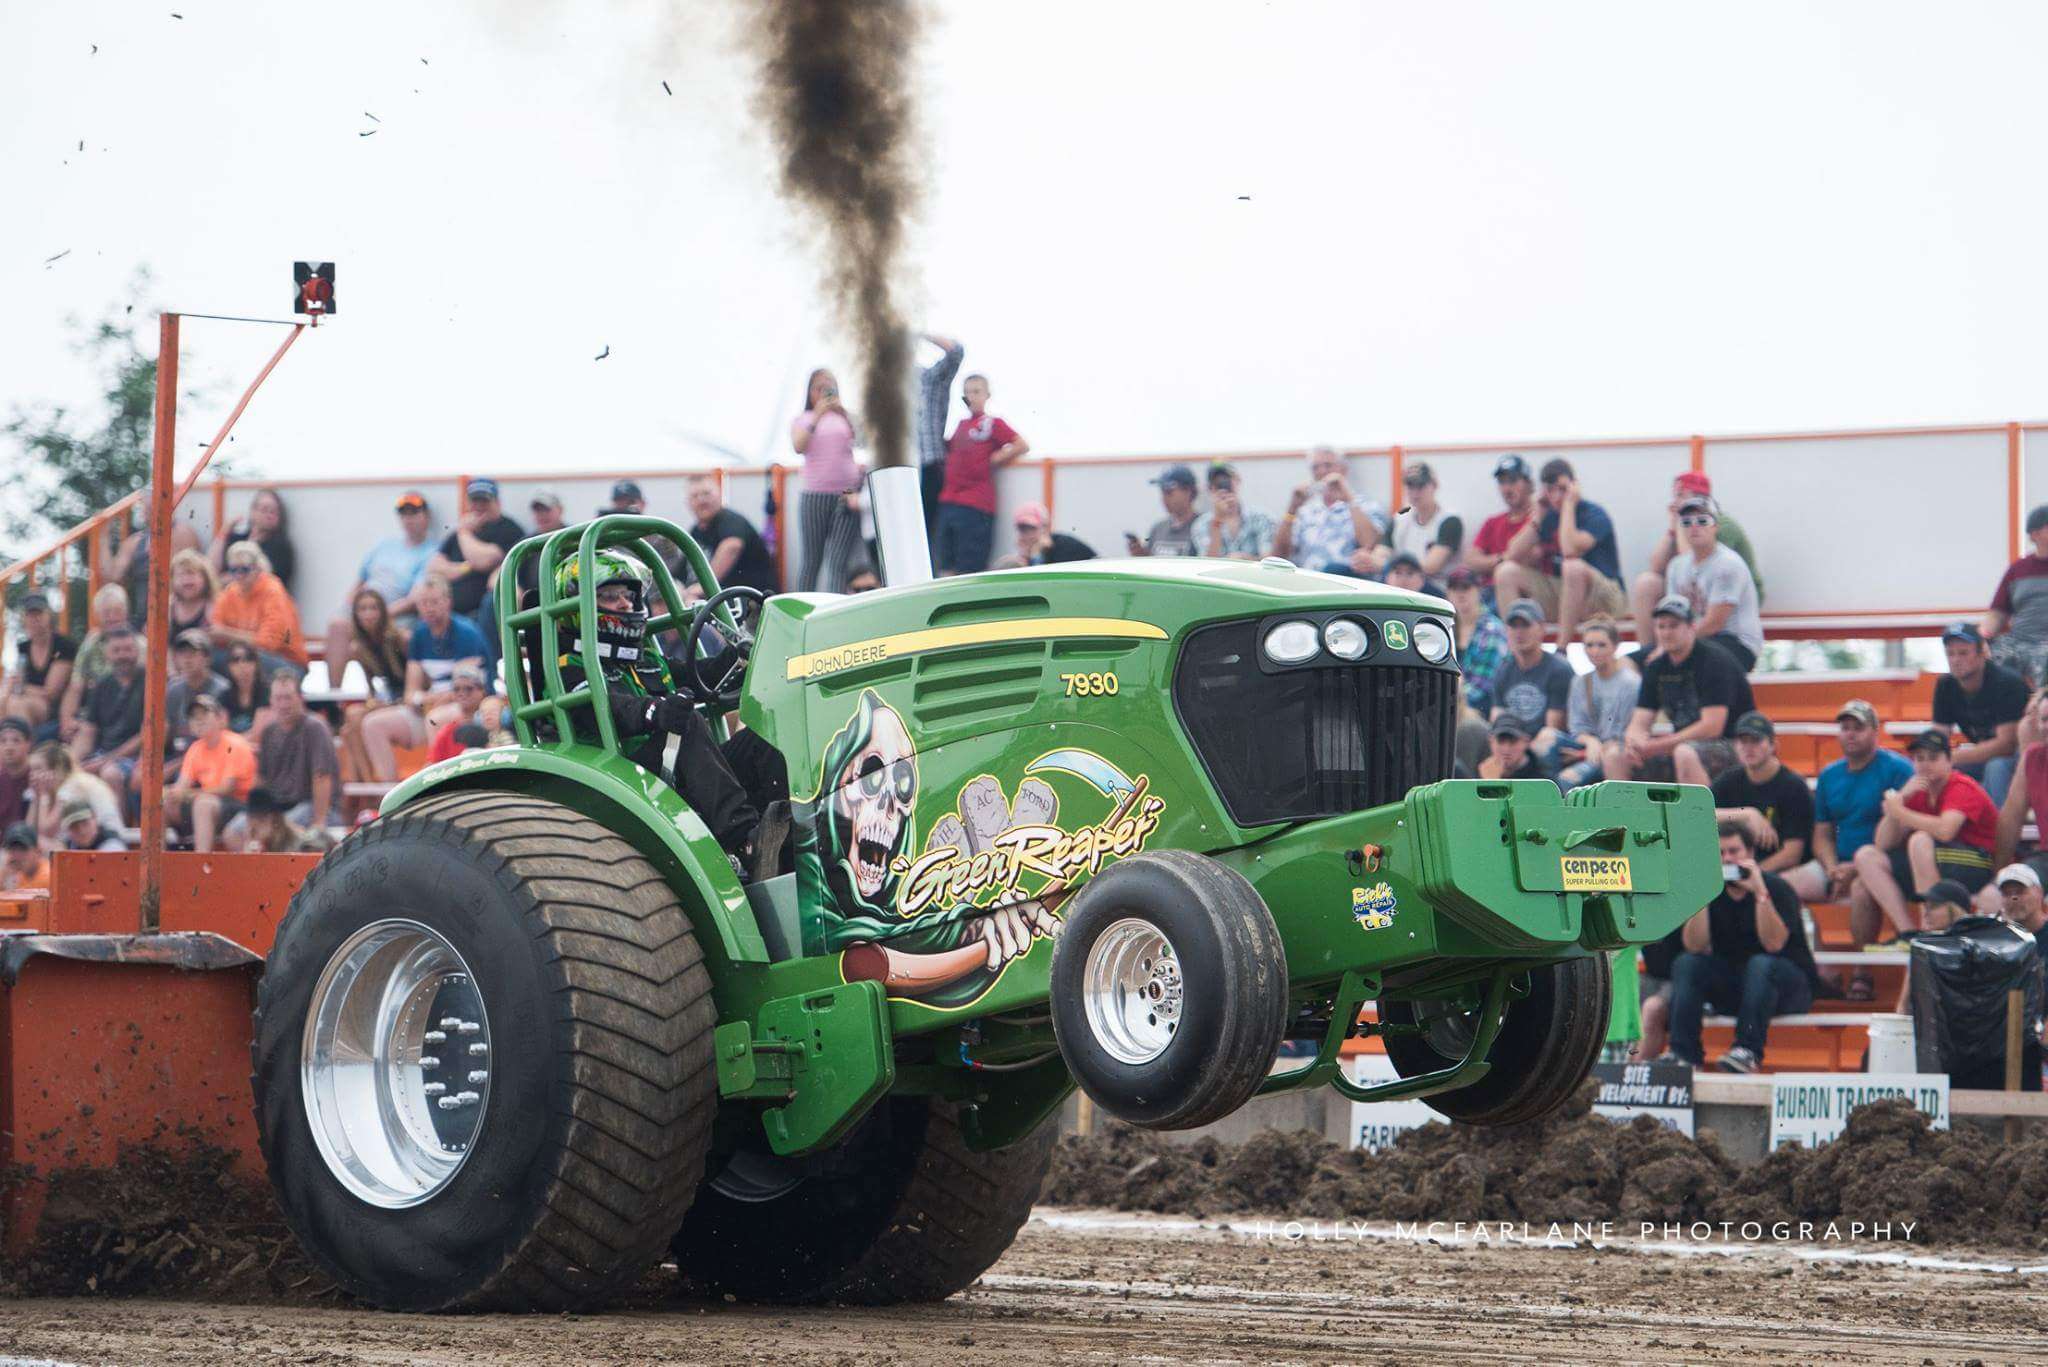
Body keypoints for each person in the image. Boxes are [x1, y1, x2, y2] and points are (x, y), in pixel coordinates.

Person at [540, 550, 758, 863]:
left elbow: (708, 676)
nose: (625, 604)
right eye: (609, 596)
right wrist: (655, 711)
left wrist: (751, 637)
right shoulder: (568, 667)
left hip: (674, 767)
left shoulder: (647, 660)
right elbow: (607, 709)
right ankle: (743, 840)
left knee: (757, 742)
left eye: (628, 595)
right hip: (623, 780)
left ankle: (789, 825)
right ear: (577, 606)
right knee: (689, 723)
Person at [1663, 819, 1820, 1073]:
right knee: (1687, 963)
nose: (1727, 859)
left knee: (1761, 964)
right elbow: (1694, 945)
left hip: (1787, 986)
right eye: (1720, 854)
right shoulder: (1711, 891)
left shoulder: (1776, 888)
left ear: (1750, 853)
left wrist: (1759, 892)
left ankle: (1747, 1051)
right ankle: (1684, 1054)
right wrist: (1702, 896)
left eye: (1734, 852)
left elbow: (1773, 944)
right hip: (1740, 986)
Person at [1852, 729, 1998, 948]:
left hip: (1975, 863)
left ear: (1949, 761)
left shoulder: (1961, 786)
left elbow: (1945, 830)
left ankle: (1932, 932)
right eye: (1919, 758)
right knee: (1866, 856)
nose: (1925, 764)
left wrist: (1899, 811)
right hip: (1936, 860)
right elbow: (1882, 843)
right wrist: (1900, 799)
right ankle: (1909, 933)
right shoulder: (1917, 790)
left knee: (1919, 840)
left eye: (1933, 758)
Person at [1608, 596, 1754, 785]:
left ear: (1691, 627)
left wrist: (1657, 745)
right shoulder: (1656, 667)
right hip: (1683, 744)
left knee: (1685, 753)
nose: (1667, 632)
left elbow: (1712, 727)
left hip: (1731, 744)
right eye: (1661, 626)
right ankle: (1628, 814)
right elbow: (1639, 722)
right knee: (1615, 755)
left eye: (1674, 625)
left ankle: (1704, 814)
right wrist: (1634, 744)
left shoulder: (1714, 661)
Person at [356, 576, 483, 782]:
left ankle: (436, 782)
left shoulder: (466, 633)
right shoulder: (419, 636)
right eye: (424, 603)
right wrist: (423, 699)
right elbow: (410, 692)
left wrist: (425, 699)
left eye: (435, 602)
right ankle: (390, 792)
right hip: (431, 706)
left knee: (435, 718)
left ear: (448, 602)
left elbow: (463, 690)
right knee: (373, 724)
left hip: (466, 707)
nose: (429, 608)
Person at [1494, 458, 1626, 647]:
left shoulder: (1595, 514)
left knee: (1572, 567)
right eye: (1550, 490)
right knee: (1505, 572)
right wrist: (1537, 517)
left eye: (1562, 489)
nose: (1556, 496)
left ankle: (1561, 649)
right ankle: (1514, 651)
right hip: (1565, 597)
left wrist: (1569, 506)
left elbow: (1570, 550)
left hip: (1605, 599)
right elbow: (1512, 554)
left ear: (1574, 486)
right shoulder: (1548, 516)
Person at [1630, 472, 1764, 653]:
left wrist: (1681, 523)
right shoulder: (1682, 530)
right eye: (1675, 496)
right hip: (1697, 597)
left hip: (1730, 604)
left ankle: (1665, 650)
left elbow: (1696, 557)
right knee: (1646, 582)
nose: (1676, 502)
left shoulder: (1723, 524)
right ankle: (1648, 651)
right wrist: (1673, 526)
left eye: (1681, 495)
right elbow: (1657, 565)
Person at [322, 491, 438, 671]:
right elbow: (359, 582)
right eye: (404, 514)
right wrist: (353, 607)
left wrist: (380, 614)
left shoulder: (432, 552)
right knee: (337, 625)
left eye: (414, 513)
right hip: (364, 608)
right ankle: (334, 696)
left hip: (397, 615)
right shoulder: (384, 545)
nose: (408, 519)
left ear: (426, 516)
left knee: (404, 638)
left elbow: (414, 599)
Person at [934, 373, 1029, 576]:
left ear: (987, 395)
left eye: (976, 392)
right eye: (967, 393)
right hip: (949, 502)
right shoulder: (960, 425)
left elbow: (1021, 445)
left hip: (975, 506)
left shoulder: (992, 423)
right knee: (945, 566)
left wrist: (994, 459)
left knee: (970, 568)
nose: (972, 397)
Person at [1658, 495, 1763, 670]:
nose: (1694, 527)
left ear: (1716, 526)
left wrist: (1672, 646)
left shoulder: (1728, 564)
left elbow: (1714, 623)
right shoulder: (1677, 566)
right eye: (1686, 522)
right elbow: (1671, 616)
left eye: (1702, 520)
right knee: (1636, 662)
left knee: (1690, 660)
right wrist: (1662, 648)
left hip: (1736, 643)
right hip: (1693, 640)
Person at [1934, 622, 2027, 808]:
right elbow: (1937, 738)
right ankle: (1945, 828)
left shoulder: (2008, 682)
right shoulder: (1945, 685)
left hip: (2023, 756)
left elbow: (2006, 746)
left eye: (1963, 653)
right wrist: (1933, 759)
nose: (1955, 660)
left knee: (1997, 767)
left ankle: (1996, 833)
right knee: (1931, 769)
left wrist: (1949, 758)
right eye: (1950, 654)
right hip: (1982, 754)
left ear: (1981, 653)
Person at [790, 368, 865, 594]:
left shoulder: (846, 418)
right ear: (810, 392)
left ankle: (835, 607)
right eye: (818, 388)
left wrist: (845, 414)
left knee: (838, 561)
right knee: (812, 559)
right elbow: (798, 446)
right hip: (815, 495)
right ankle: (803, 607)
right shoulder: (803, 419)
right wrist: (817, 415)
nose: (824, 392)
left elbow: (864, 440)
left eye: (829, 386)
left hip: (846, 495)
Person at [1711, 712, 1814, 875]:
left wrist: (1752, 875)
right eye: (1743, 741)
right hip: (1733, 866)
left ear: (1773, 745)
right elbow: (1698, 815)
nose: (1748, 747)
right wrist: (1747, 814)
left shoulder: (1793, 786)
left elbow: (1792, 854)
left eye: (1756, 741)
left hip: (1780, 872)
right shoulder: (1728, 780)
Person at [243, 671, 339, 832]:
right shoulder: (269, 731)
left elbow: (322, 777)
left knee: (275, 829)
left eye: (288, 698)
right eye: (278, 698)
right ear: (271, 701)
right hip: (276, 806)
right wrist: (253, 815)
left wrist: (319, 822)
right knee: (234, 831)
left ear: (300, 698)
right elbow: (261, 779)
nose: (283, 704)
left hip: (311, 805)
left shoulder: (315, 728)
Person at [163, 694, 256, 853]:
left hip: (239, 805)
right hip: (209, 801)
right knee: (161, 804)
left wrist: (187, 794)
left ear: (220, 718)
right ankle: (158, 862)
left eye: (204, 714)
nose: (199, 720)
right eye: (194, 716)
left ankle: (201, 862)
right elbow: (182, 786)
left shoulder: (234, 744)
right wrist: (171, 793)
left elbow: (226, 788)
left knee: (203, 804)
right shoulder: (195, 748)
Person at [69, 625, 146, 812]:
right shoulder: (101, 685)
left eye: (128, 649)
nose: (122, 655)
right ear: (107, 655)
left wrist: (107, 760)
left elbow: (148, 735)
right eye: (116, 650)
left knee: (110, 773)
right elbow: (88, 733)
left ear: (137, 652)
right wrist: (70, 763)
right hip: (104, 753)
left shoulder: (150, 680)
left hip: (137, 757)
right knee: (67, 774)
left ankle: (117, 834)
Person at [1488, 598, 1574, 766]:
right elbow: (1496, 720)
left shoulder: (1559, 670)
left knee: (1547, 738)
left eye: (1526, 625)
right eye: (1514, 626)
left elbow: (1553, 726)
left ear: (1542, 628)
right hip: (1514, 742)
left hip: (1555, 745)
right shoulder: (1503, 670)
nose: (1519, 632)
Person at [1557, 617, 1639, 791]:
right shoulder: (1581, 681)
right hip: (1588, 745)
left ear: (1615, 646)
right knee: (1546, 740)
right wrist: (1590, 741)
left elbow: (1624, 731)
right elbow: (1576, 726)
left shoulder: (1630, 682)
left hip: (1617, 749)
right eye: (1589, 645)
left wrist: (1595, 748)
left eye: (1601, 645)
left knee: (1568, 780)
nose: (1595, 651)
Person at [426, 478, 524, 621]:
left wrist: (464, 533)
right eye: (474, 501)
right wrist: (465, 567)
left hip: (480, 612)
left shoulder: (508, 529)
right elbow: (433, 567)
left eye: (484, 501)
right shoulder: (458, 532)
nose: (478, 506)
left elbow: (484, 561)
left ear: (497, 503)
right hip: (448, 611)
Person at [1274, 446, 1385, 573]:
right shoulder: (1305, 509)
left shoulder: (1367, 504)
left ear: (1344, 470)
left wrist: (1349, 500)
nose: (1322, 472)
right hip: (1305, 581)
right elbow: (1279, 555)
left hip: (1344, 580)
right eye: (1315, 467)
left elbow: (1369, 543)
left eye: (1328, 466)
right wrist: (1292, 509)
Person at [212, 541, 307, 677]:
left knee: (248, 659)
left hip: (287, 662)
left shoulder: (273, 591)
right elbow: (216, 632)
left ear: (258, 568)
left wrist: (228, 634)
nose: (239, 575)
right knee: (209, 659)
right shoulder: (229, 593)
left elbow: (269, 644)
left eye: (244, 570)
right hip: (247, 656)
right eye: (233, 570)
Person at [1983, 503, 2048, 687]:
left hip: (2046, 645)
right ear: (2035, 534)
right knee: (1983, 659)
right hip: (2020, 641)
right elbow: (1998, 613)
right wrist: (1981, 637)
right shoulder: (2018, 569)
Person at [56, 584, 132, 742]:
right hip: (91, 715)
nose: (111, 617)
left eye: (116, 611)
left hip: (125, 717)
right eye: (106, 613)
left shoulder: (138, 644)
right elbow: (75, 687)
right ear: (98, 616)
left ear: (126, 613)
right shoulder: (91, 643)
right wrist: (67, 719)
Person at [685, 475, 778, 597]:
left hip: (751, 601)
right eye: (695, 496)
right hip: (720, 600)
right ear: (688, 503)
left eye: (707, 494)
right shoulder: (695, 532)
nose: (702, 500)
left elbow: (732, 546)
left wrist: (703, 586)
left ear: (719, 495)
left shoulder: (732, 521)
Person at [1463, 453, 1538, 603]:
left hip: (1523, 599)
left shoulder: (1538, 521)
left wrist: (1488, 562)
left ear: (1528, 483)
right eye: (1502, 482)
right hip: (1486, 594)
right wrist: (1503, 558)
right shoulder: (1493, 522)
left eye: (1513, 480)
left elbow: (1532, 557)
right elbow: (1470, 560)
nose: (1507, 488)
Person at [914, 332, 966, 548]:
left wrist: (919, 333)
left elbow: (956, 352)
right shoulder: (884, 394)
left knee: (927, 536)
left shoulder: (930, 380)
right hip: (897, 469)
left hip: (929, 467)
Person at [1994, 688, 2048, 880]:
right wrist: (1999, 875)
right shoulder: (2032, 758)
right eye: (2044, 720)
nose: (2047, 726)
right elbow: (2010, 819)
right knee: (1998, 892)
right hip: (2045, 859)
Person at [26, 742, 121, 851]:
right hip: (83, 841)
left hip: (106, 842)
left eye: (38, 769)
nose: (32, 775)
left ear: (55, 770)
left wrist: (42, 796)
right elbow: (28, 830)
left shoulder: (71, 787)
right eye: (31, 769)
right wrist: (36, 797)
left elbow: (46, 831)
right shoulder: (55, 788)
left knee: (38, 844)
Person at [2, 592, 76, 731]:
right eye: (30, 614)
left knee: (16, 704)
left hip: (54, 707)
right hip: (26, 699)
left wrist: (22, 686)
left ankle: (23, 749)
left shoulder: (64, 645)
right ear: (24, 618)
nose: (35, 619)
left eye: (39, 613)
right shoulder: (23, 647)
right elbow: (15, 684)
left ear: (49, 615)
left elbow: (51, 693)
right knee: (6, 701)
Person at [1384, 462, 1463, 578]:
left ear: (1435, 485)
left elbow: (1430, 567)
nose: (1415, 493)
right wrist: (1367, 560)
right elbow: (1382, 551)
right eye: (1411, 486)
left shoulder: (1450, 520)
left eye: (1421, 486)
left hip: (1434, 587)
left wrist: (1386, 564)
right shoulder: (1399, 517)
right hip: (1402, 582)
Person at [210, 487, 297, 594]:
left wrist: (216, 582)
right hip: (229, 600)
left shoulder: (280, 547)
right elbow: (210, 569)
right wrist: (224, 532)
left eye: (275, 511)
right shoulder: (237, 539)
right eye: (265, 509)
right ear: (252, 511)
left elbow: (252, 578)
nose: (270, 514)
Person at [164, 629, 232, 763]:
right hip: (176, 755)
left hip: (208, 758)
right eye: (182, 653)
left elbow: (220, 740)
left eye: (193, 653)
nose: (187, 659)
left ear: (207, 658)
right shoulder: (173, 689)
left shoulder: (222, 689)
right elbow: (166, 732)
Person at [1445, 568, 1508, 713]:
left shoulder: (1493, 630)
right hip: (1449, 705)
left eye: (1466, 587)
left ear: (1478, 590)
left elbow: (1480, 688)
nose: (1460, 594)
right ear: (1448, 593)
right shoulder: (1443, 628)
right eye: (1454, 588)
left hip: (1482, 709)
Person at [1191, 463, 1276, 560]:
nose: (1223, 488)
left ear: (1238, 481)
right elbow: (1207, 563)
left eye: (1227, 482)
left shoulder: (1262, 518)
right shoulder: (1201, 524)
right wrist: (1217, 521)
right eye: (1217, 485)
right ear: (1210, 489)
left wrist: (1246, 561)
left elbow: (1269, 560)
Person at [1125, 465, 1201, 558]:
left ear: (1188, 491)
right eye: (1162, 492)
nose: (1164, 498)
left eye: (1169, 492)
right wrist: (1141, 555)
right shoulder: (1158, 529)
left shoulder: (1203, 527)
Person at [238, 785, 333, 855]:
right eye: (251, 818)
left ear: (274, 819)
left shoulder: (301, 844)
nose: (253, 825)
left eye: (261, 819)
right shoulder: (256, 843)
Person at [427, 666, 492, 763]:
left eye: (469, 689)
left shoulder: (492, 723)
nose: (462, 693)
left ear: (482, 691)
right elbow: (432, 763)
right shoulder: (447, 732)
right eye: (456, 689)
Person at [1006, 503, 1095, 566]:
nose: (1026, 535)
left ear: (1045, 528)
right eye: (1022, 529)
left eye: (1031, 528)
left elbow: (1042, 581)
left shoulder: (1064, 546)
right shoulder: (1027, 554)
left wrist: (1035, 556)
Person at [1478, 713, 1548, 781]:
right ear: (1491, 742)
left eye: (1513, 741)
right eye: (1500, 741)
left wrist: (1492, 783)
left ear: (1526, 742)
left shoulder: (1543, 778)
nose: (1506, 749)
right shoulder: (1483, 770)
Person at [165, 548, 217, 637]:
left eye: (191, 574)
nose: (186, 581)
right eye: (181, 575)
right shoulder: (167, 607)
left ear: (205, 578)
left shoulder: (214, 605)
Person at [222, 645, 269, 736]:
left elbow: (257, 734)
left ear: (256, 664)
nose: (242, 665)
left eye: (248, 658)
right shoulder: (224, 696)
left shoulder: (267, 692)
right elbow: (223, 732)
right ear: (229, 667)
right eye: (236, 660)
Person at [1994, 863, 2048, 936]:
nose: (2014, 898)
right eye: (2006, 893)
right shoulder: (1995, 940)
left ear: (2039, 892)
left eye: (2020, 891)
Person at [61, 798, 127, 853]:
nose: (82, 831)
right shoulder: (67, 846)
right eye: (74, 827)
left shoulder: (112, 845)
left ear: (95, 818)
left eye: (85, 823)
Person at [0, 718, 31, 828]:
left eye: (16, 740)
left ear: (28, 744)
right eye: (3, 741)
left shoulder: (37, 777)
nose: (9, 747)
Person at [1, 823, 48, 893]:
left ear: (38, 851)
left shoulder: (48, 877)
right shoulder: (16, 874)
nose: (17, 855)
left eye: (23, 849)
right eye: (12, 849)